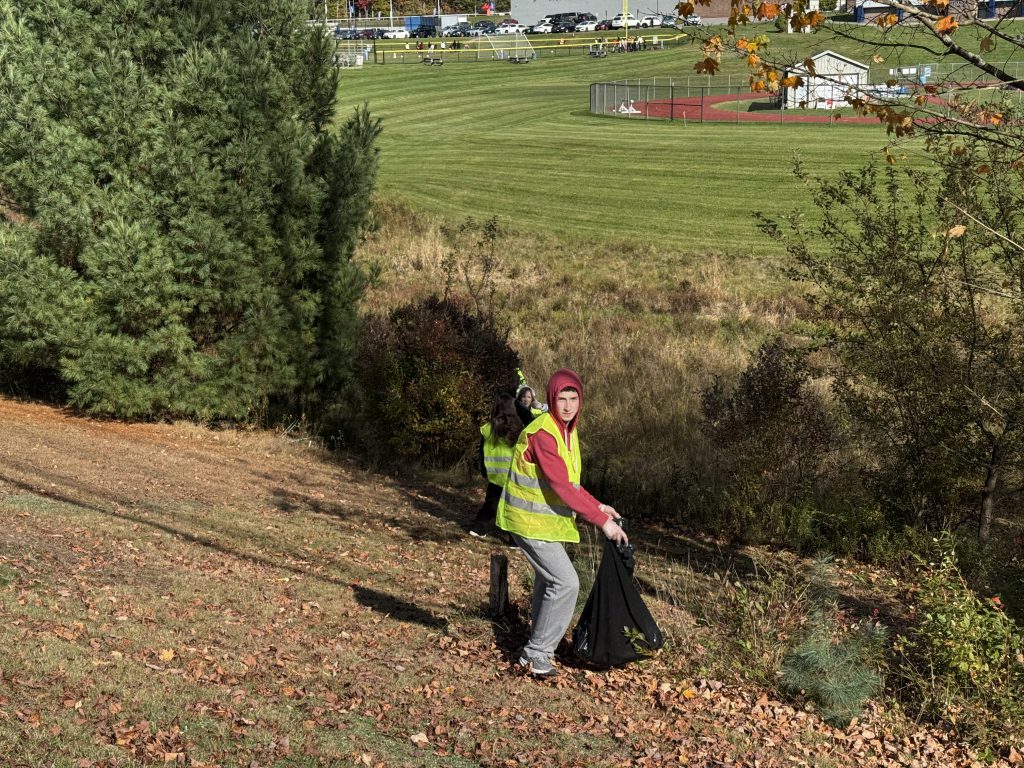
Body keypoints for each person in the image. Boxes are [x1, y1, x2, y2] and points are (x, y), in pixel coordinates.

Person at [496, 368, 628, 678]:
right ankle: (536, 654)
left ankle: (537, 646)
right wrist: (602, 523)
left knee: (549, 583)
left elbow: (571, 482)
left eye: (573, 399)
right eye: (561, 399)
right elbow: (561, 486)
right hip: (527, 521)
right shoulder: (544, 432)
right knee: (566, 583)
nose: (567, 405)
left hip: (543, 523)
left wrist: (598, 505)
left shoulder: (566, 431)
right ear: (552, 400)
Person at [469, 393, 521, 539]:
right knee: (514, 508)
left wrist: (483, 470)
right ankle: (514, 539)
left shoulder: (488, 429)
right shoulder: (520, 428)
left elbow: (482, 452)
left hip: (495, 475)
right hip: (514, 475)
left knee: (491, 504)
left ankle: (479, 528)